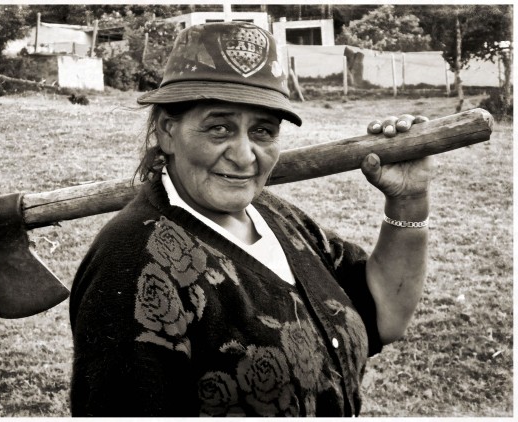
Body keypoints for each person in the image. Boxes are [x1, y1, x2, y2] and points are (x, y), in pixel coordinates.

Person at [69, 21, 433, 417]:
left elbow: (385, 315)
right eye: (219, 127)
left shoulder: (277, 215)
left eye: (262, 131)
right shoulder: (131, 263)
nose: (244, 157)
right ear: (168, 132)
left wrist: (409, 201)